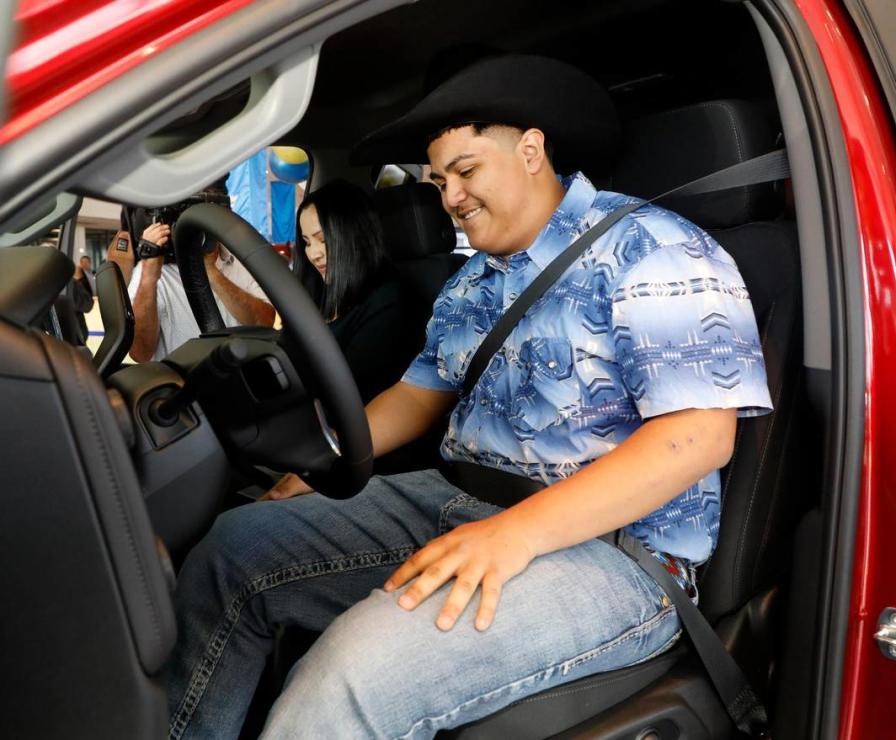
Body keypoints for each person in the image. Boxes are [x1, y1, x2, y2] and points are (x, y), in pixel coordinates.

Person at [166, 55, 773, 739]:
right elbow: (417, 396)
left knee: (357, 671)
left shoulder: (655, 249)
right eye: (439, 181)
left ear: (532, 150)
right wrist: (322, 462)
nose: (450, 196)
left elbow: (697, 437)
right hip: (457, 501)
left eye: (466, 171)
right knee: (232, 551)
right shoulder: (471, 282)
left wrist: (515, 533)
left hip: (611, 553)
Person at [293, 179, 423, 403]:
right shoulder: (323, 291)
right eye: (306, 242)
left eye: (322, 239)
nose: (314, 253)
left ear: (352, 236)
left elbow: (344, 391)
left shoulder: (388, 303)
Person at [126, 200, 276, 363]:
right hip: (183, 383)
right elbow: (140, 353)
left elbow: (265, 323)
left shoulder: (241, 262)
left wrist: (210, 271)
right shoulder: (149, 271)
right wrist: (149, 277)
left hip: (240, 376)